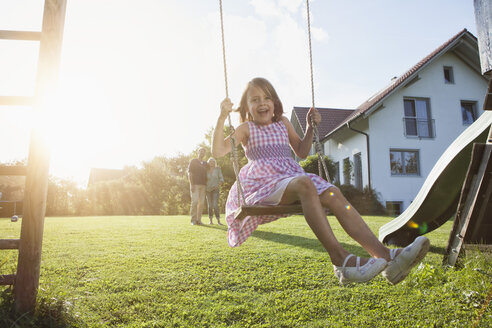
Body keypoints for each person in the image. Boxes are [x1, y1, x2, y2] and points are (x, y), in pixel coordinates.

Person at [212, 77, 430, 285]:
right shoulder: (246, 129)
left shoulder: (283, 124)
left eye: (266, 98)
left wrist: (309, 128)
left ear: (274, 102)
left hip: (289, 177)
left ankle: (388, 258)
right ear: (246, 107)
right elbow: (219, 150)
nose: (261, 103)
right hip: (264, 184)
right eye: (254, 99)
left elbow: (302, 151)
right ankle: (340, 259)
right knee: (304, 183)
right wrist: (222, 117)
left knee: (333, 192)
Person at [188, 147, 208, 225]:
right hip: (195, 185)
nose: (202, 153)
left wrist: (217, 168)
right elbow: (190, 173)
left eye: (204, 152)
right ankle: (193, 220)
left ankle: (199, 220)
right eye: (201, 151)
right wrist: (191, 184)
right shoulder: (193, 161)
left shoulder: (205, 163)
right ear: (198, 152)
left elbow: (210, 170)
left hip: (203, 186)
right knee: (195, 201)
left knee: (201, 203)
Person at [206, 157, 224, 225]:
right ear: (208, 163)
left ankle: (218, 221)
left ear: (215, 163)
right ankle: (210, 221)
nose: (212, 163)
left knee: (215, 205)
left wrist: (218, 184)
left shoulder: (218, 169)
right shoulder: (206, 170)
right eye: (210, 161)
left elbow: (221, 178)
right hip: (207, 190)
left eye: (213, 161)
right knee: (210, 205)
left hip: (215, 189)